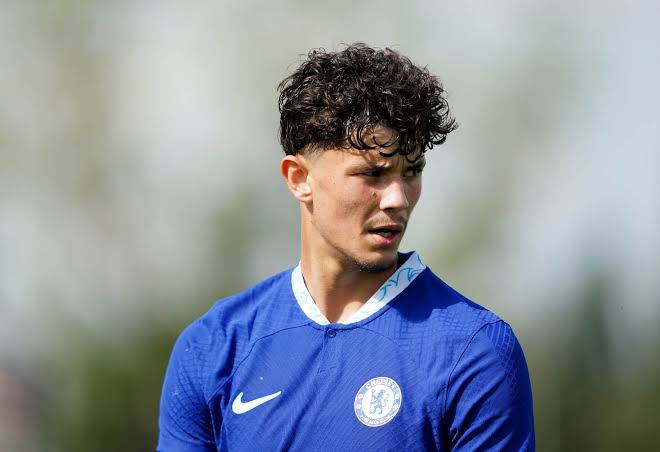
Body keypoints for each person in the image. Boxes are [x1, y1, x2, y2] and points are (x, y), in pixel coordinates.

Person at [157, 43, 535, 451]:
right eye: (372, 173)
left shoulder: (474, 351)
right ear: (299, 178)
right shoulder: (213, 348)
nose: (398, 199)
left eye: (412, 171)